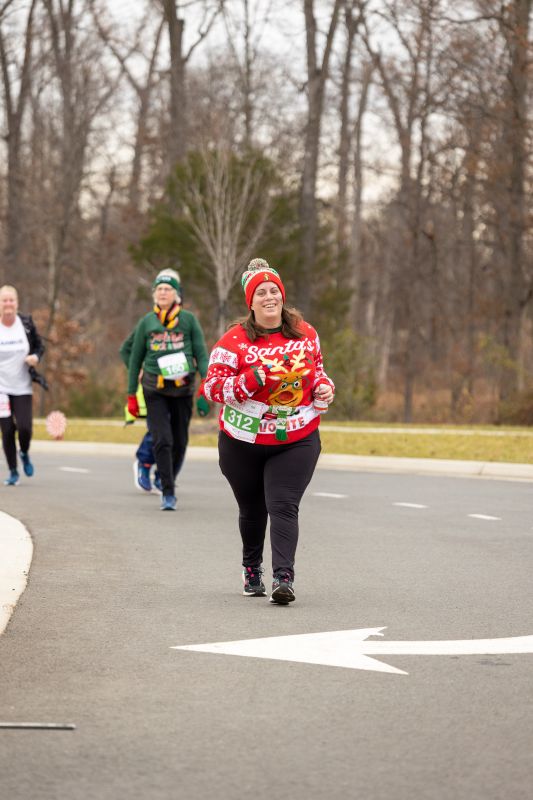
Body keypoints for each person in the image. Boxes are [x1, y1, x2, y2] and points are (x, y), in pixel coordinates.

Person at [203, 258, 334, 604]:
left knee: (283, 504)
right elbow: (211, 388)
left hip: (295, 437)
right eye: (260, 292)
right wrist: (247, 382)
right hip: (242, 441)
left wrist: (323, 388)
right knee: (252, 509)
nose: (269, 297)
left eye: (273, 290)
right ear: (251, 302)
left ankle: (283, 578)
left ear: (282, 295)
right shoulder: (233, 342)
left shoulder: (305, 333)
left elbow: (318, 372)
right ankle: (252, 567)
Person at [126, 271, 209, 510]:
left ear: (176, 294)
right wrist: (131, 394)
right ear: (154, 294)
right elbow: (134, 359)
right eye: (159, 289)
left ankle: (165, 477)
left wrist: (205, 387)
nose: (163, 292)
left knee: (180, 442)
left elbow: (201, 355)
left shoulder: (188, 320)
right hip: (154, 390)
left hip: (183, 390)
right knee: (163, 439)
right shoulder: (147, 322)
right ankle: (168, 491)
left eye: (167, 289)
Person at [0, 285, 47, 486]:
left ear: (17, 303)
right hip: (1, 389)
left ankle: (24, 452)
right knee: (7, 429)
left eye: (11, 300)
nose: (8, 304)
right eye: (4, 300)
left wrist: (35, 357)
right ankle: (13, 471)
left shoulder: (25, 324)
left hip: (22, 386)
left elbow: (39, 346)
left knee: (25, 428)